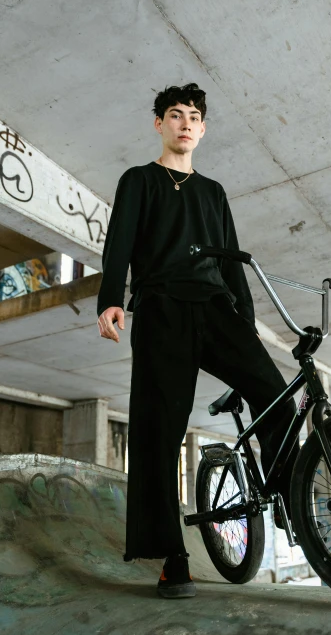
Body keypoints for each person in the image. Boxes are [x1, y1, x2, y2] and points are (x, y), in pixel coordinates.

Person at [97, 83, 298, 598]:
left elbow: (231, 259)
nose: (185, 123)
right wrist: (109, 299)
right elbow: (119, 240)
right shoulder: (139, 180)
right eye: (175, 115)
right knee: (159, 430)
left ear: (203, 130)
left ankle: (287, 493)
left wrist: (246, 322)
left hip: (214, 308)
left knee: (274, 392)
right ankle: (173, 554)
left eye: (193, 117)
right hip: (162, 307)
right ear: (159, 124)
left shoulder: (213, 192)